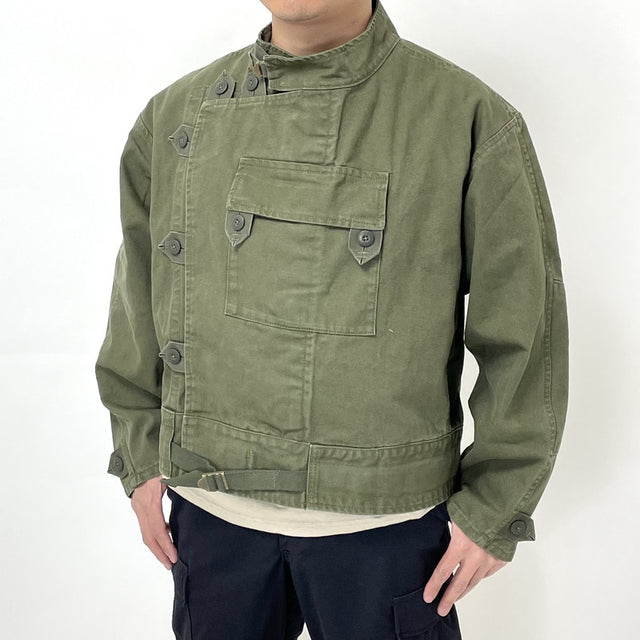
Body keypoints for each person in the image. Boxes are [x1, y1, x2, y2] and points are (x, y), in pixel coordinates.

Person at [95, 1, 569, 638]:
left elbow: (524, 331)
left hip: (386, 527)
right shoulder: (174, 114)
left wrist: (495, 508)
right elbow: (137, 299)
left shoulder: (468, 118)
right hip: (210, 516)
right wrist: (140, 455)